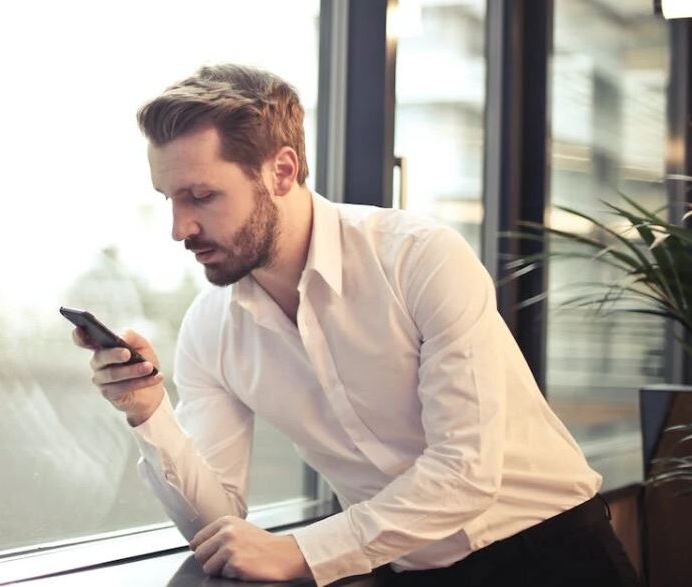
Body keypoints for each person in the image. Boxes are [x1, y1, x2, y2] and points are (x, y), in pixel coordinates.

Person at [70, 64, 639, 586]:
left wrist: (303, 551)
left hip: (553, 554)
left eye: (201, 196)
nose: (179, 228)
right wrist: (148, 414)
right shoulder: (209, 331)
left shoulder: (420, 258)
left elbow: (465, 471)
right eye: (169, 198)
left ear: (282, 170)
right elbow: (219, 528)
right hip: (402, 570)